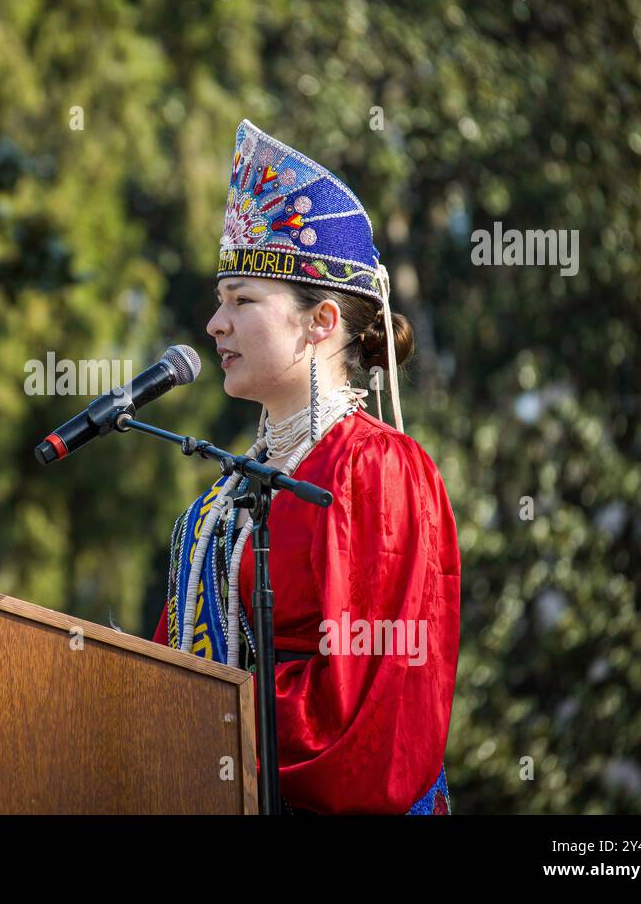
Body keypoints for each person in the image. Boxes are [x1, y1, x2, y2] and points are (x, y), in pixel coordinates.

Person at [150, 119, 461, 814]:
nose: (214, 324)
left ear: (321, 321)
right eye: (219, 300)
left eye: (242, 301)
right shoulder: (228, 498)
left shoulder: (379, 470)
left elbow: (367, 714)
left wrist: (205, 731)